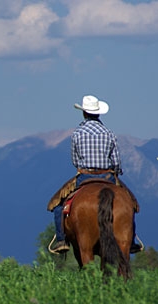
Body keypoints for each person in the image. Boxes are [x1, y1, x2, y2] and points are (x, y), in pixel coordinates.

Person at [48, 95, 143, 254]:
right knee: (131, 204)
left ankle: (61, 240)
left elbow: (75, 160)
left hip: (85, 175)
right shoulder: (109, 133)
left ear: (84, 113)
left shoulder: (77, 133)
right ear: (98, 113)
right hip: (108, 176)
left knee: (58, 205)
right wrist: (115, 170)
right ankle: (131, 240)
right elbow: (116, 161)